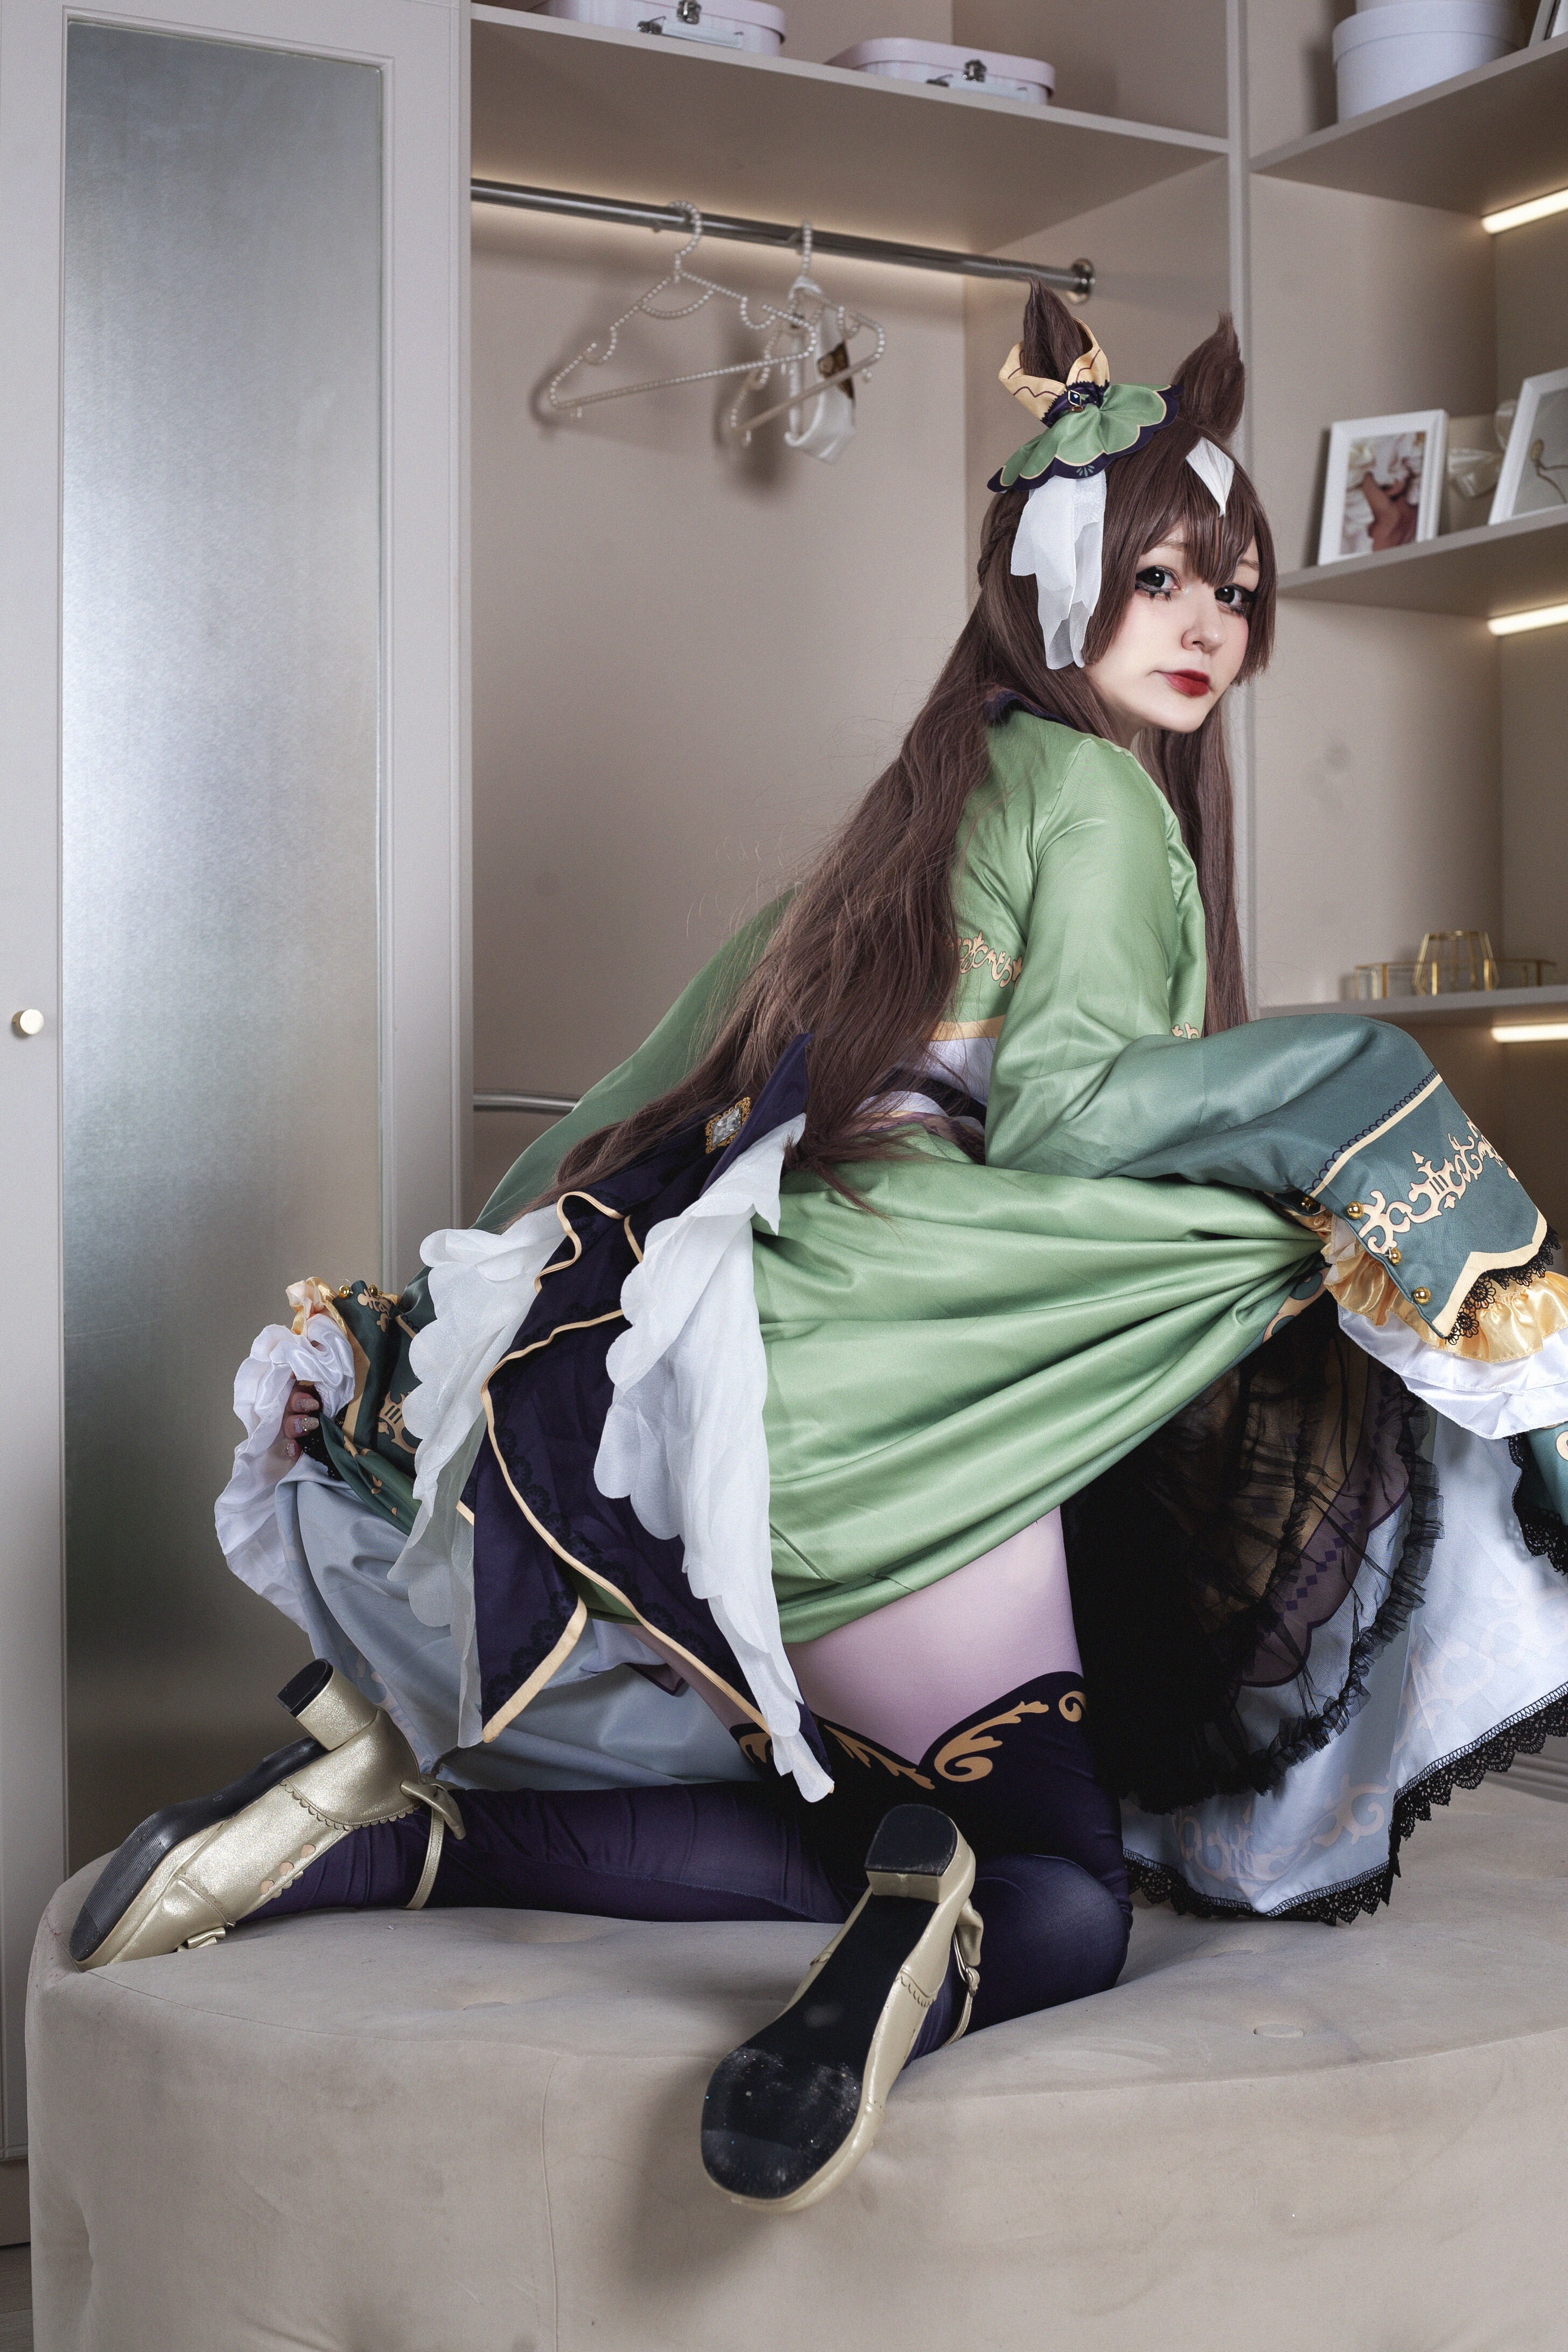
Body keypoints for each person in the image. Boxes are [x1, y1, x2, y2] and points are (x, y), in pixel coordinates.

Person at [69, 292, 1568, 2215]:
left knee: (855, 1802)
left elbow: (639, 1098)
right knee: (1059, 1873)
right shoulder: (1104, 801)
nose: (1211, 624)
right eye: (1164, 577)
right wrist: (1370, 1106)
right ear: (1055, 582)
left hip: (705, 1386)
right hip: (885, 1391)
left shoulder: (911, 814)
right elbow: (1074, 1119)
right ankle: (883, 1994)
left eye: (1238, 590)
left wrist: (428, 1332)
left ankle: (390, 1837)